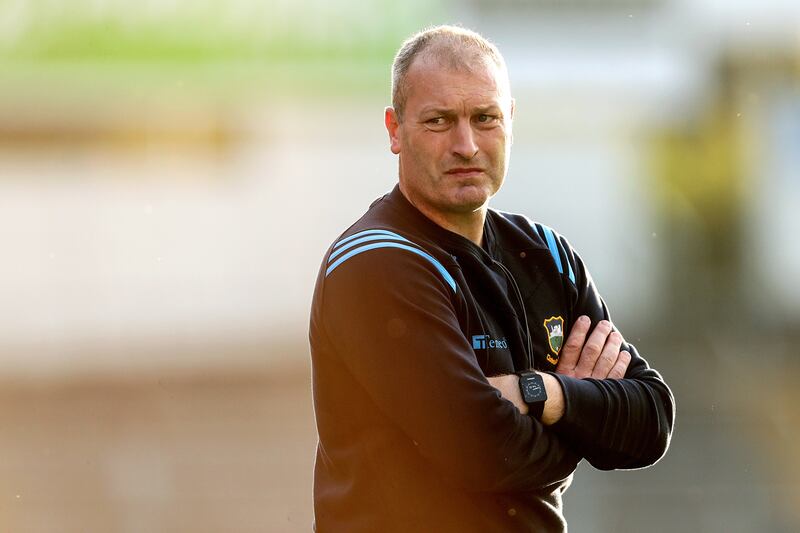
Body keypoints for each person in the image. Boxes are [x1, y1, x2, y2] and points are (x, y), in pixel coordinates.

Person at [308, 25, 675, 532]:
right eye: (439, 121)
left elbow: (651, 421)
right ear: (395, 130)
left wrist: (540, 392)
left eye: (485, 118)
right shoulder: (375, 263)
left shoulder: (546, 254)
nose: (466, 145)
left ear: (510, 121)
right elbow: (480, 451)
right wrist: (580, 424)